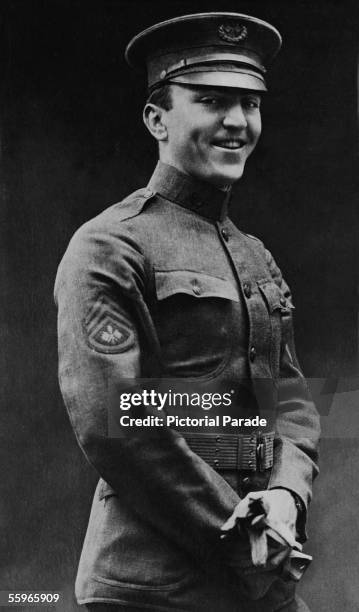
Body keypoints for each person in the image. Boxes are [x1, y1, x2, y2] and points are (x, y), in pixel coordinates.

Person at [55, 12, 320, 612]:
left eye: (250, 104)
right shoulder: (109, 247)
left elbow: (294, 402)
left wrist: (286, 495)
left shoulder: (255, 256)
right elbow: (117, 422)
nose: (237, 122)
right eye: (211, 100)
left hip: (261, 582)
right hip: (155, 588)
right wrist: (239, 527)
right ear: (157, 118)